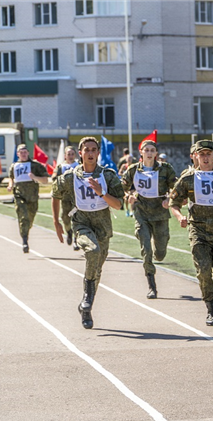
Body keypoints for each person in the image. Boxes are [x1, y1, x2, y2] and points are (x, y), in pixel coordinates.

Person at [51, 136, 124, 329]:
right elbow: (55, 193)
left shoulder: (108, 176)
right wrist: (57, 222)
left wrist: (102, 193)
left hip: (103, 227)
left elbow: (118, 205)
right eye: (87, 150)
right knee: (92, 251)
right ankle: (86, 300)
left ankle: (86, 307)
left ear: (98, 153)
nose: (90, 153)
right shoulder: (70, 176)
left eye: (93, 150)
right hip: (81, 223)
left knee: (97, 269)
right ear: (80, 153)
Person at [170, 140, 213, 325]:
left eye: (209, 153)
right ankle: (211, 308)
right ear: (196, 156)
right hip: (198, 230)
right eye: (202, 154)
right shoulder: (188, 178)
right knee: (203, 270)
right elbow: (173, 202)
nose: (206, 157)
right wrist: (179, 217)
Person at [121, 139, 178, 299]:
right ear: (141, 152)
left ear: (156, 153)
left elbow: (176, 187)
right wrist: (128, 196)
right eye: (147, 150)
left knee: (159, 253)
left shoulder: (165, 169)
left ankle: (158, 251)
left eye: (152, 150)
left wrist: (170, 199)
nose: (149, 153)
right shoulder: (133, 170)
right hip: (142, 212)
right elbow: (122, 187)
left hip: (160, 213)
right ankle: (152, 286)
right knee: (146, 250)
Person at [7, 143, 50, 253]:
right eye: (21, 153)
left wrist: (34, 177)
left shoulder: (35, 165)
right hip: (19, 196)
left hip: (32, 198)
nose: (23, 154)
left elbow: (45, 180)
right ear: (18, 154)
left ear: (28, 153)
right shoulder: (14, 166)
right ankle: (25, 241)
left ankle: (26, 232)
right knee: (23, 218)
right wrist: (10, 185)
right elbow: (11, 178)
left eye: (25, 152)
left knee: (29, 219)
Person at [52, 145, 80, 250]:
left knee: (77, 218)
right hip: (65, 198)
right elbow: (54, 176)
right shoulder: (61, 167)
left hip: (77, 197)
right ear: (65, 156)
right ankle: (69, 232)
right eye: (69, 154)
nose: (71, 156)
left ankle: (76, 240)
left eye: (72, 154)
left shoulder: (79, 165)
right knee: (65, 217)